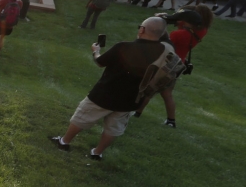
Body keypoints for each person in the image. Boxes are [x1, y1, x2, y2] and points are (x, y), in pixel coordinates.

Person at [50, 17, 169, 159]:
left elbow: (100, 62)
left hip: (105, 93)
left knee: (82, 117)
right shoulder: (163, 51)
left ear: (142, 29)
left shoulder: (123, 47)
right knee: (113, 128)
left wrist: (96, 50)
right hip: (131, 98)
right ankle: (97, 153)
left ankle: (64, 142)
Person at [136, 7, 210, 128]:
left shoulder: (179, 34)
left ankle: (137, 112)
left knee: (149, 89)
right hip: (179, 64)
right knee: (167, 94)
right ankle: (171, 120)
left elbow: (162, 41)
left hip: (167, 64)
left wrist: (162, 23)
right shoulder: (202, 30)